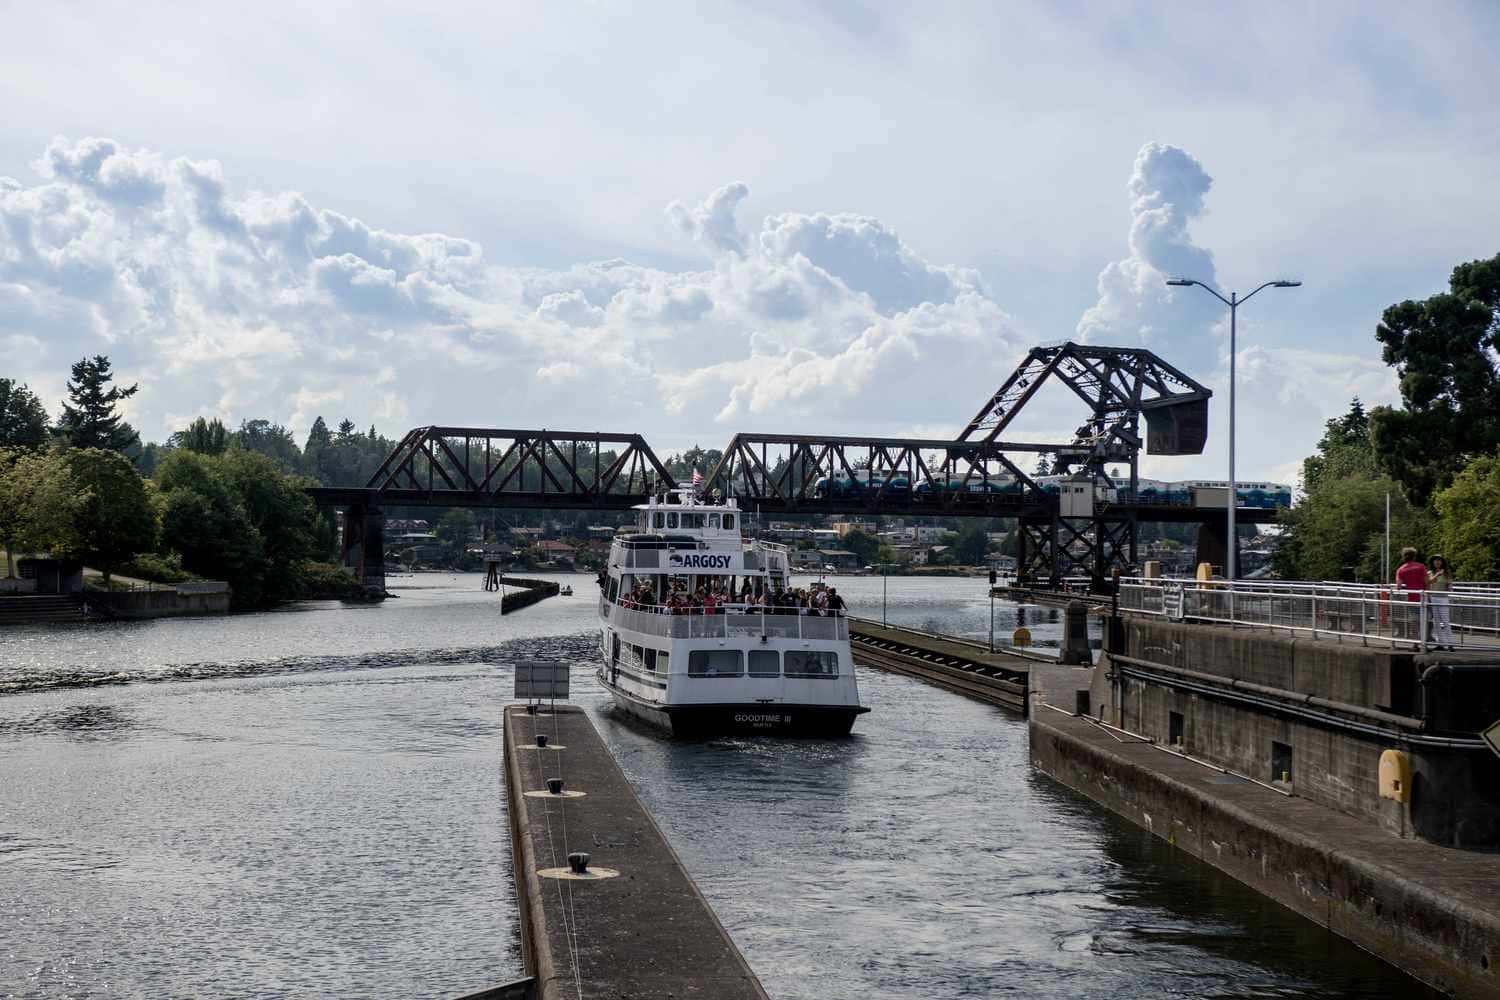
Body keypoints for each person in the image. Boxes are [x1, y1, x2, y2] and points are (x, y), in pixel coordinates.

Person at [1394, 547, 1428, 640]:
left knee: (1414, 621)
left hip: (1412, 598)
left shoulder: (1401, 569)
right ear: (1414, 556)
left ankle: (1415, 642)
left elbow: (1398, 586)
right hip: (1423, 597)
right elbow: (1427, 581)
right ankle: (1424, 640)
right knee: (1425, 620)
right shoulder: (1421, 566)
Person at [1428, 555, 1455, 649]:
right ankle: (1440, 643)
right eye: (1435, 560)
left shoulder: (1447, 573)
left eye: (1439, 560)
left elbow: (1449, 587)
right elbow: (1428, 583)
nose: (1437, 562)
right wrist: (1437, 575)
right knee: (1436, 622)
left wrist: (1449, 586)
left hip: (1443, 598)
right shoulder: (1430, 573)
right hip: (1433, 598)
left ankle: (1451, 643)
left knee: (1445, 621)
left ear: (1442, 562)